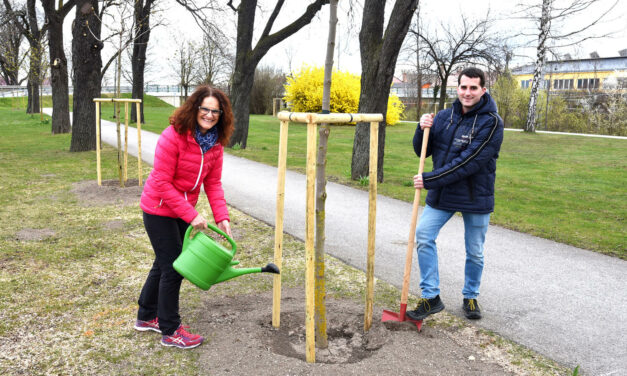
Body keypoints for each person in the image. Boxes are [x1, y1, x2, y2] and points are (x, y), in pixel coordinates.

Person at [133, 86, 234, 348]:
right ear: (194, 108)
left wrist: (221, 216)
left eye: (215, 111)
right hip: (158, 208)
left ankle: (146, 316)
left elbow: (213, 183)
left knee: (163, 262)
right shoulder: (173, 137)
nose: (210, 115)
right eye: (205, 109)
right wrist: (191, 215)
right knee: (174, 267)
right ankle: (171, 330)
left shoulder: (215, 145)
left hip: (180, 210)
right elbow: (163, 183)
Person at [406, 67, 504, 321]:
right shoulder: (443, 117)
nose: (467, 92)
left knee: (474, 251)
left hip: (475, 195)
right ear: (457, 88)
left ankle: (470, 296)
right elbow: (422, 151)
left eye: (473, 88)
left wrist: (431, 179)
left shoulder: (492, 122)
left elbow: (469, 161)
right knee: (424, 236)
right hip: (444, 193)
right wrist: (421, 129)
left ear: (483, 90)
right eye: (463, 87)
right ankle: (431, 297)